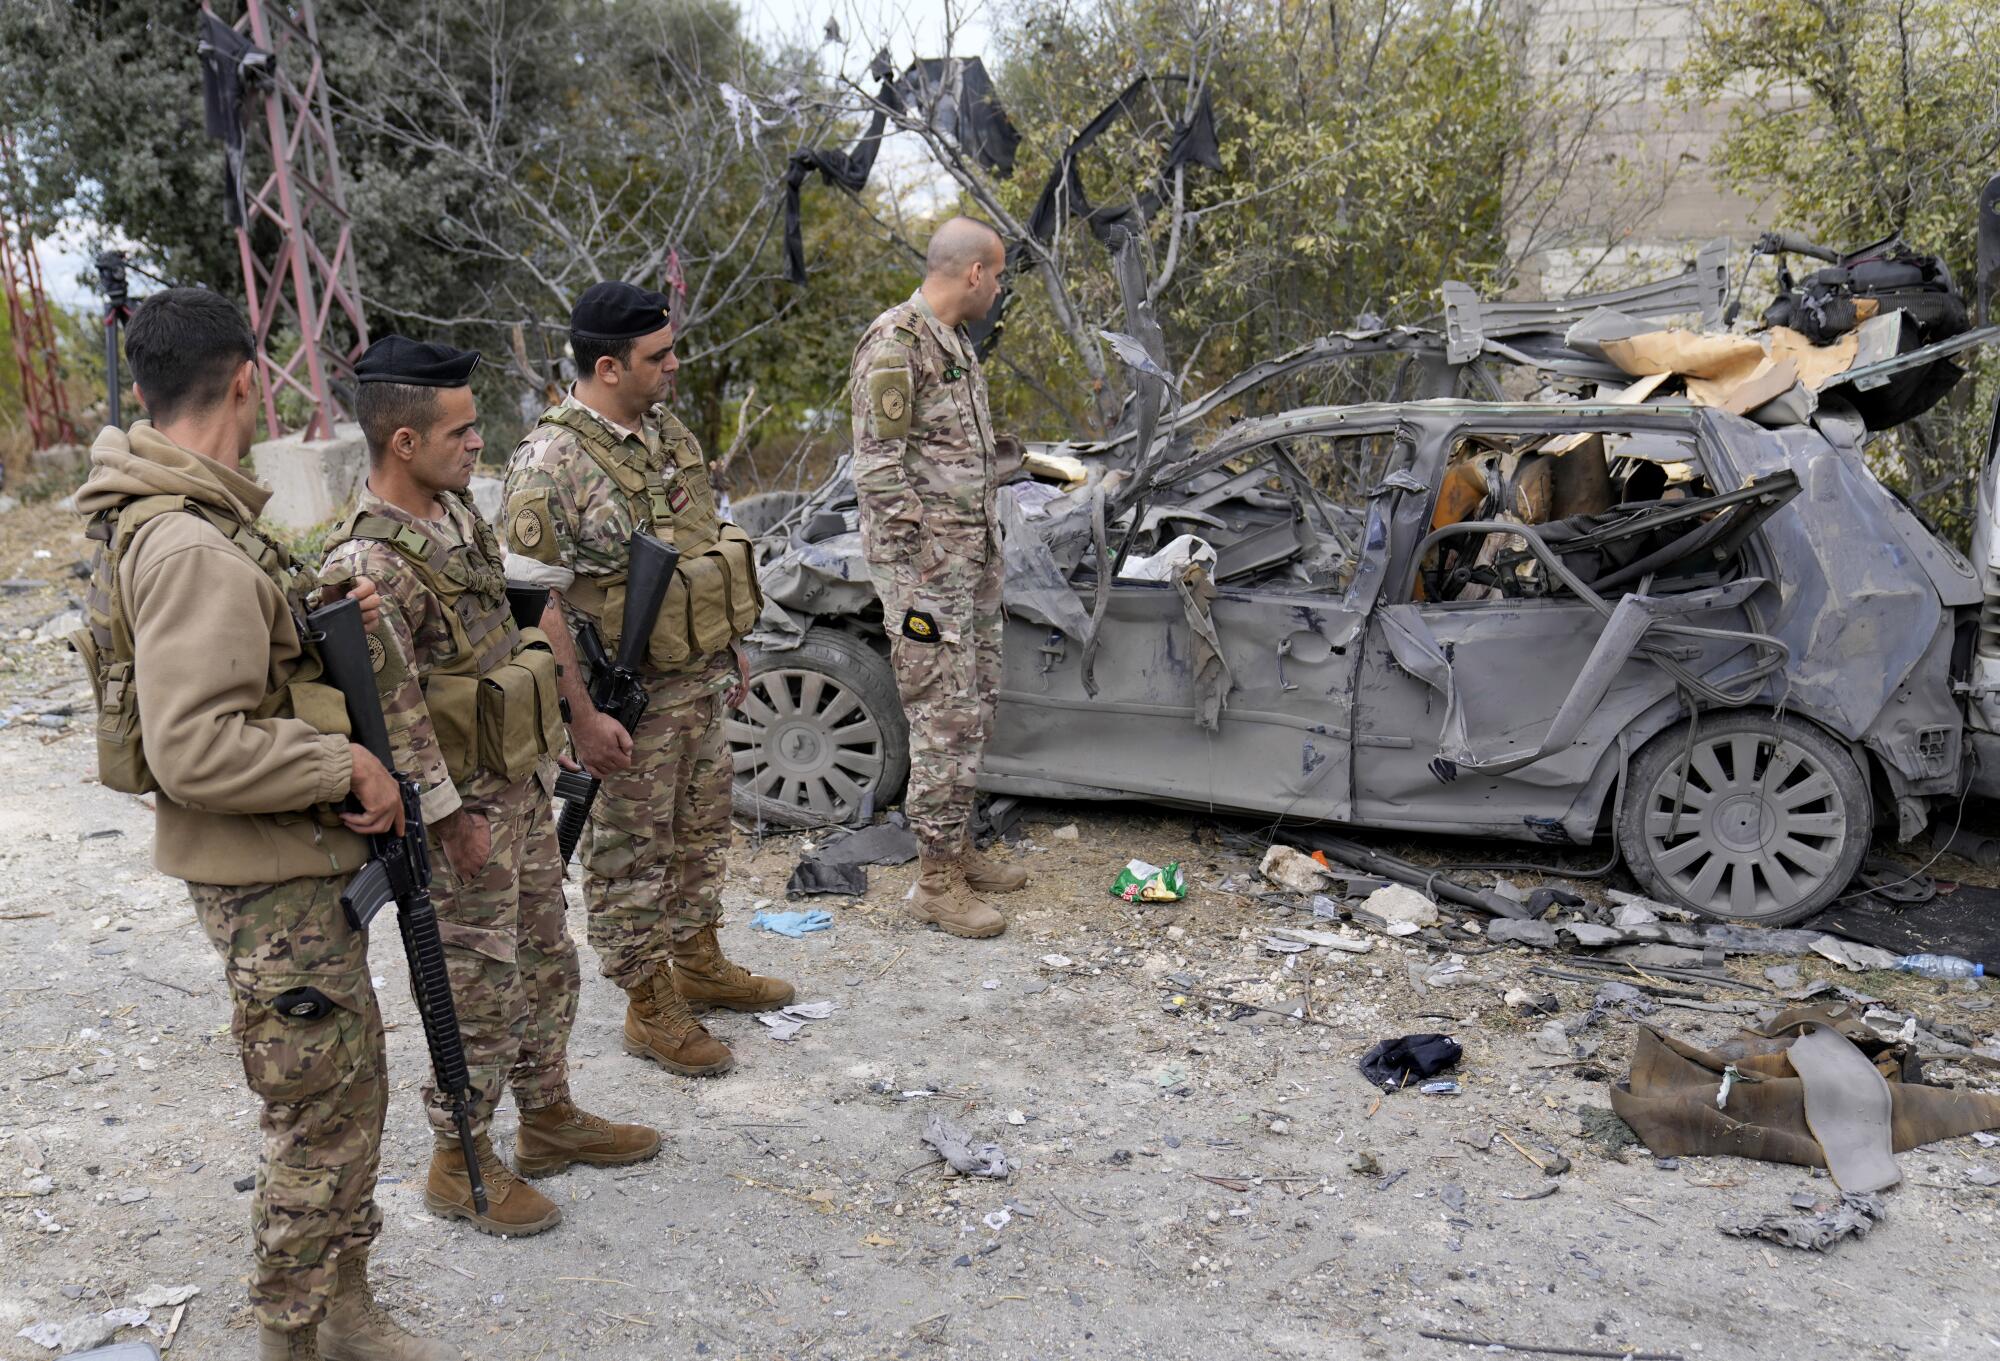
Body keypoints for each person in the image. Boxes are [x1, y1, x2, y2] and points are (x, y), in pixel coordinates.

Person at [72, 290, 452, 1360]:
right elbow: (194, 743)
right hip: (269, 882)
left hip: (289, 866)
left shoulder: (199, 516)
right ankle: (293, 1332)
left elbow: (244, 654)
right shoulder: (187, 543)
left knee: (346, 1093)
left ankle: (344, 1307)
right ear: (248, 378)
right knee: (317, 1122)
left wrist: (318, 611)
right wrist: (343, 759)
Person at [319, 335, 660, 1240]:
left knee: (547, 958)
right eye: (461, 431)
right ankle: (454, 1157)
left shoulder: (458, 514)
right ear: (402, 442)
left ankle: (546, 1114)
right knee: (475, 989)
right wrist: (446, 821)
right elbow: (391, 713)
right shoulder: (371, 563)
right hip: (457, 813)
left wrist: (565, 726)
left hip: (514, 787)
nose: (478, 445)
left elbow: (503, 634)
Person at [502, 282, 788, 1077]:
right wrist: (581, 715)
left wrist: (727, 641)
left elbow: (696, 546)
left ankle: (696, 956)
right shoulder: (550, 461)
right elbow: (534, 602)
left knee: (699, 829)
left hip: (695, 681)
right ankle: (646, 1000)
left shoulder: (665, 432)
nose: (673, 365)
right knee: (630, 853)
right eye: (657, 357)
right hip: (625, 697)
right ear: (607, 365)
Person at [848, 216, 1028, 939]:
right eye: (1000, 274)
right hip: (930, 578)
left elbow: (946, 455)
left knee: (975, 703)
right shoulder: (895, 344)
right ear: (975, 274)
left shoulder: (954, 345)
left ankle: (958, 849)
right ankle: (934, 882)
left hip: (970, 564)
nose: (1000, 288)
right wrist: (921, 573)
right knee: (941, 718)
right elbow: (879, 470)